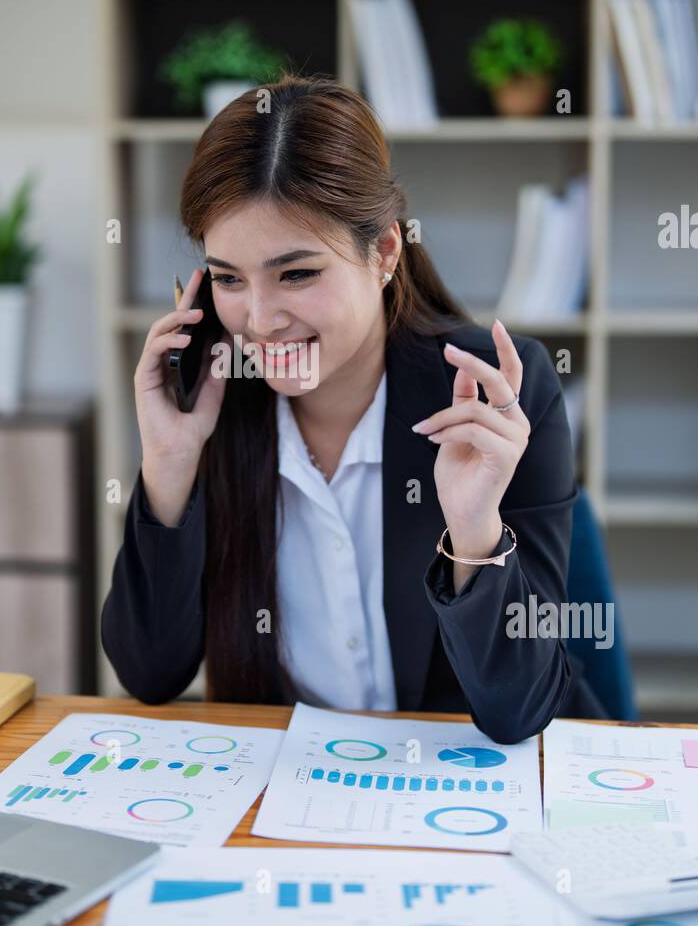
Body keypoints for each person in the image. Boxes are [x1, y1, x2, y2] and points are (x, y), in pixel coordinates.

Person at [101, 73, 607, 742]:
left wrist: (474, 529)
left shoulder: (496, 395)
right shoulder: (212, 400)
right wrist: (169, 466)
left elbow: (519, 710)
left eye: (297, 273)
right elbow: (150, 672)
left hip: (459, 806)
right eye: (227, 278)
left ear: (385, 252)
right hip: (289, 809)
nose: (259, 320)